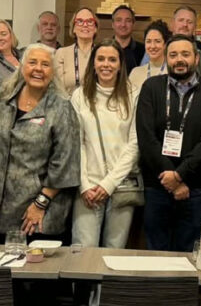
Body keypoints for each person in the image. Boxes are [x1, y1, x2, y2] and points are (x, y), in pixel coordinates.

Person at [0, 44, 80, 240]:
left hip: (38, 212)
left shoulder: (62, 108)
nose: (38, 69)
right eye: (32, 62)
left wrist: (41, 203)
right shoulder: (3, 98)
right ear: (22, 66)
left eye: (45, 64)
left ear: (53, 72)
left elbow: (66, 164)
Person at [136, 34, 201, 251]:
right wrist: (170, 178)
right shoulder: (151, 87)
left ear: (197, 58)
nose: (179, 60)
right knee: (156, 254)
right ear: (166, 59)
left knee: (190, 254)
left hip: (195, 188)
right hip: (157, 186)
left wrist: (180, 175)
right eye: (173, 55)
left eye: (185, 54)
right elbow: (146, 137)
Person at [71, 40, 139, 248]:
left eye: (112, 59)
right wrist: (84, 185)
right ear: (93, 63)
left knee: (114, 252)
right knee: (83, 252)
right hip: (88, 187)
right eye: (101, 59)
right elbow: (76, 144)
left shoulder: (134, 94)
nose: (106, 64)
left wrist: (109, 184)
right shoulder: (80, 95)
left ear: (120, 64)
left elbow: (134, 144)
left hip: (121, 185)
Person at [54, 7, 97, 94]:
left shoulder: (103, 54)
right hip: (68, 101)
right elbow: (58, 89)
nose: (85, 25)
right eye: (80, 21)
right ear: (73, 28)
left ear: (95, 28)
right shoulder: (62, 53)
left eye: (90, 21)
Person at [129, 20, 170, 90]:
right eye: (148, 41)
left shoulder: (172, 72)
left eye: (157, 41)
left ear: (165, 44)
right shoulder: (135, 72)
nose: (153, 46)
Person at [111, 5, 144, 71]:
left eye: (128, 21)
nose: (123, 24)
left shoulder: (144, 51)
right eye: (119, 20)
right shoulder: (103, 49)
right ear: (112, 24)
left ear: (133, 24)